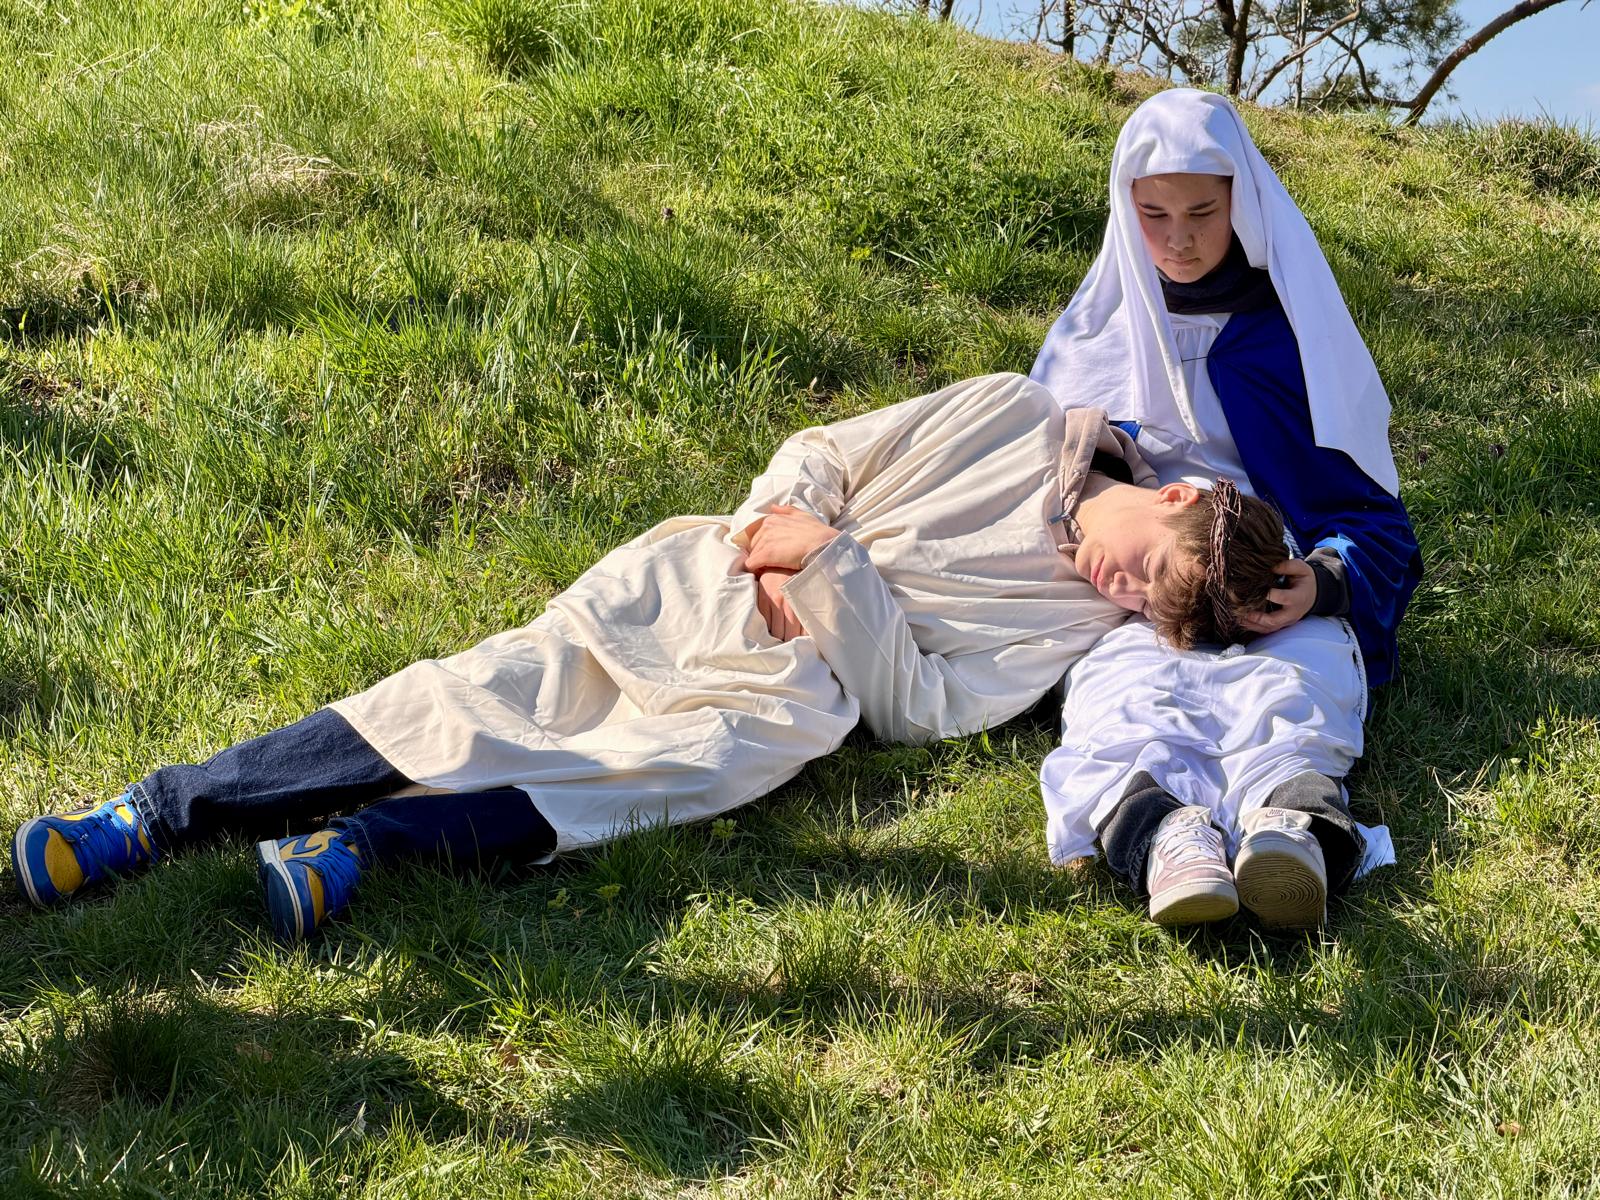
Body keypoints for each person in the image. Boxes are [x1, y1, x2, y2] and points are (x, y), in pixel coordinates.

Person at [12, 372, 1288, 941]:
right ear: (1175, 495)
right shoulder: (1012, 413)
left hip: (795, 687)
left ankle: (360, 851)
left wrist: (828, 569)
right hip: (707, 578)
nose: (1123, 595)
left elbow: (926, 706)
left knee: (653, 774)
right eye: (1148, 571)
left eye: (1148, 610)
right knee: (473, 693)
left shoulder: (1074, 623)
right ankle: (146, 818)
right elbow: (824, 455)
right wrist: (780, 536)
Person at [1030, 88, 1423, 930]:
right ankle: (1165, 834)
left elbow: (1372, 517)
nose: (1179, 239)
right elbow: (1050, 477)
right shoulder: (1096, 333)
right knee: (1121, 690)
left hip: (1268, 561)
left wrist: (1322, 581)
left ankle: (1294, 819)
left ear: (1241, 202)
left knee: (1298, 678)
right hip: (1141, 579)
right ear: (1125, 208)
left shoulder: (1291, 336)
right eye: (1154, 214)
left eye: (1203, 213)